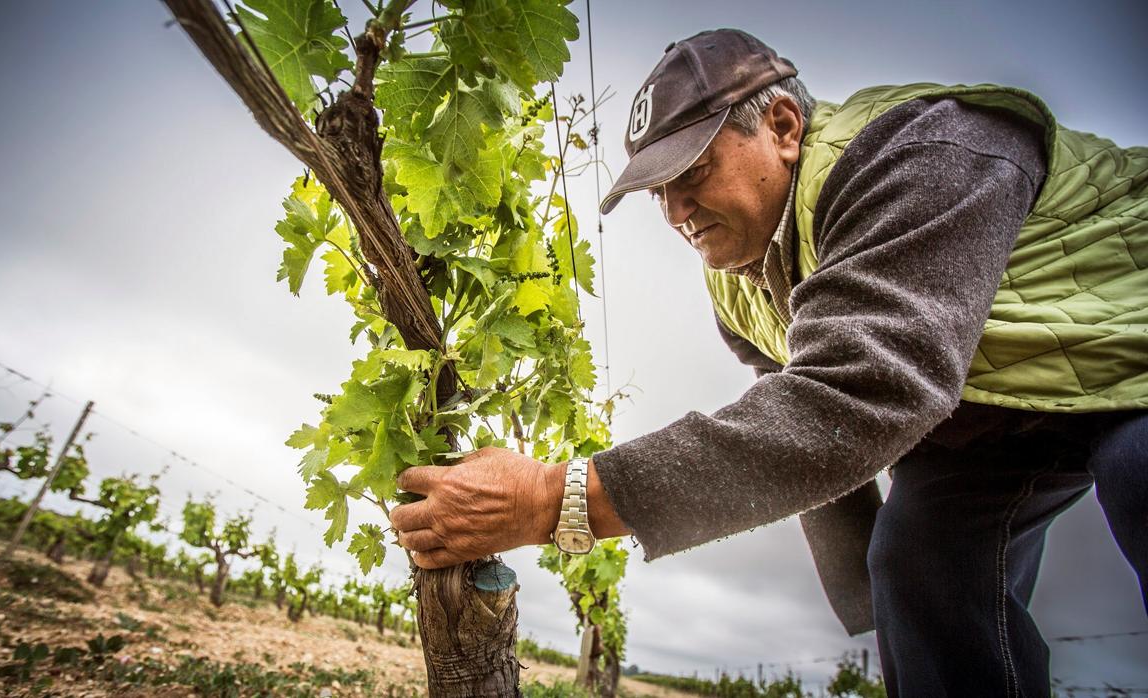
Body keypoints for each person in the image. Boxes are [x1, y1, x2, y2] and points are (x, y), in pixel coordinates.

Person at [389, 28, 1147, 696]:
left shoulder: (911, 154)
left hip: (1129, 338)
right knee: (919, 559)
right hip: (995, 409)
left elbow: (853, 396)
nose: (676, 212)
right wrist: (876, 606)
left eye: (691, 173)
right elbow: (800, 423)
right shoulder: (735, 285)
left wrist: (557, 500)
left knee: (1139, 470)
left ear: (783, 126)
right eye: (658, 190)